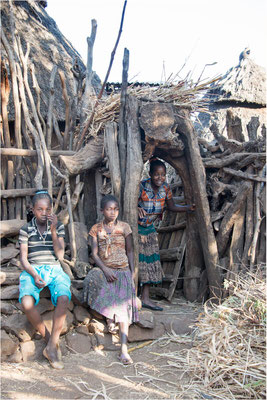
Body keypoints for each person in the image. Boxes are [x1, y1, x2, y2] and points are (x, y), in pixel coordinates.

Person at [83, 195, 138, 365]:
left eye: (115, 209)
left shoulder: (124, 227)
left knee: (123, 308)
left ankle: (123, 349)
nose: (112, 212)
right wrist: (105, 270)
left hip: (122, 272)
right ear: (102, 211)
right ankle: (109, 317)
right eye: (108, 209)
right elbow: (94, 254)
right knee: (92, 279)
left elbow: (130, 252)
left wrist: (131, 274)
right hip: (105, 271)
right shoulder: (96, 229)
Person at [19, 190, 71, 370]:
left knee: (64, 298)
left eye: (47, 209)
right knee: (26, 302)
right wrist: (34, 275)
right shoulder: (26, 229)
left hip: (54, 268)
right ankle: (50, 343)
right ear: (33, 210)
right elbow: (24, 259)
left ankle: (51, 346)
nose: (44, 212)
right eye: (40, 209)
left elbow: (60, 254)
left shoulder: (58, 227)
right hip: (33, 269)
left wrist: (55, 229)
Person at [138, 158, 195, 311]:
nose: (160, 177)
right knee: (137, 261)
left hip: (150, 229)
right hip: (136, 228)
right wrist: (136, 207)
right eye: (156, 174)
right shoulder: (142, 186)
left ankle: (145, 298)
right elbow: (130, 202)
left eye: (162, 174)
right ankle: (131, 296)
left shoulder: (166, 188)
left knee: (151, 262)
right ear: (150, 174)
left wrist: (188, 208)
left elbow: (172, 206)